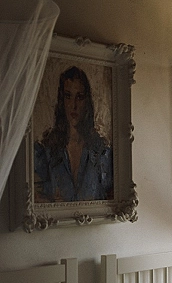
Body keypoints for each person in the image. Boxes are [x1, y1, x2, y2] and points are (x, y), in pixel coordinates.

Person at [34, 66, 113, 203]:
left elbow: (111, 198)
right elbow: (35, 198)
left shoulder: (101, 151)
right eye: (68, 96)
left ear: (86, 101)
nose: (73, 105)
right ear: (62, 100)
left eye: (79, 97)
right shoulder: (47, 151)